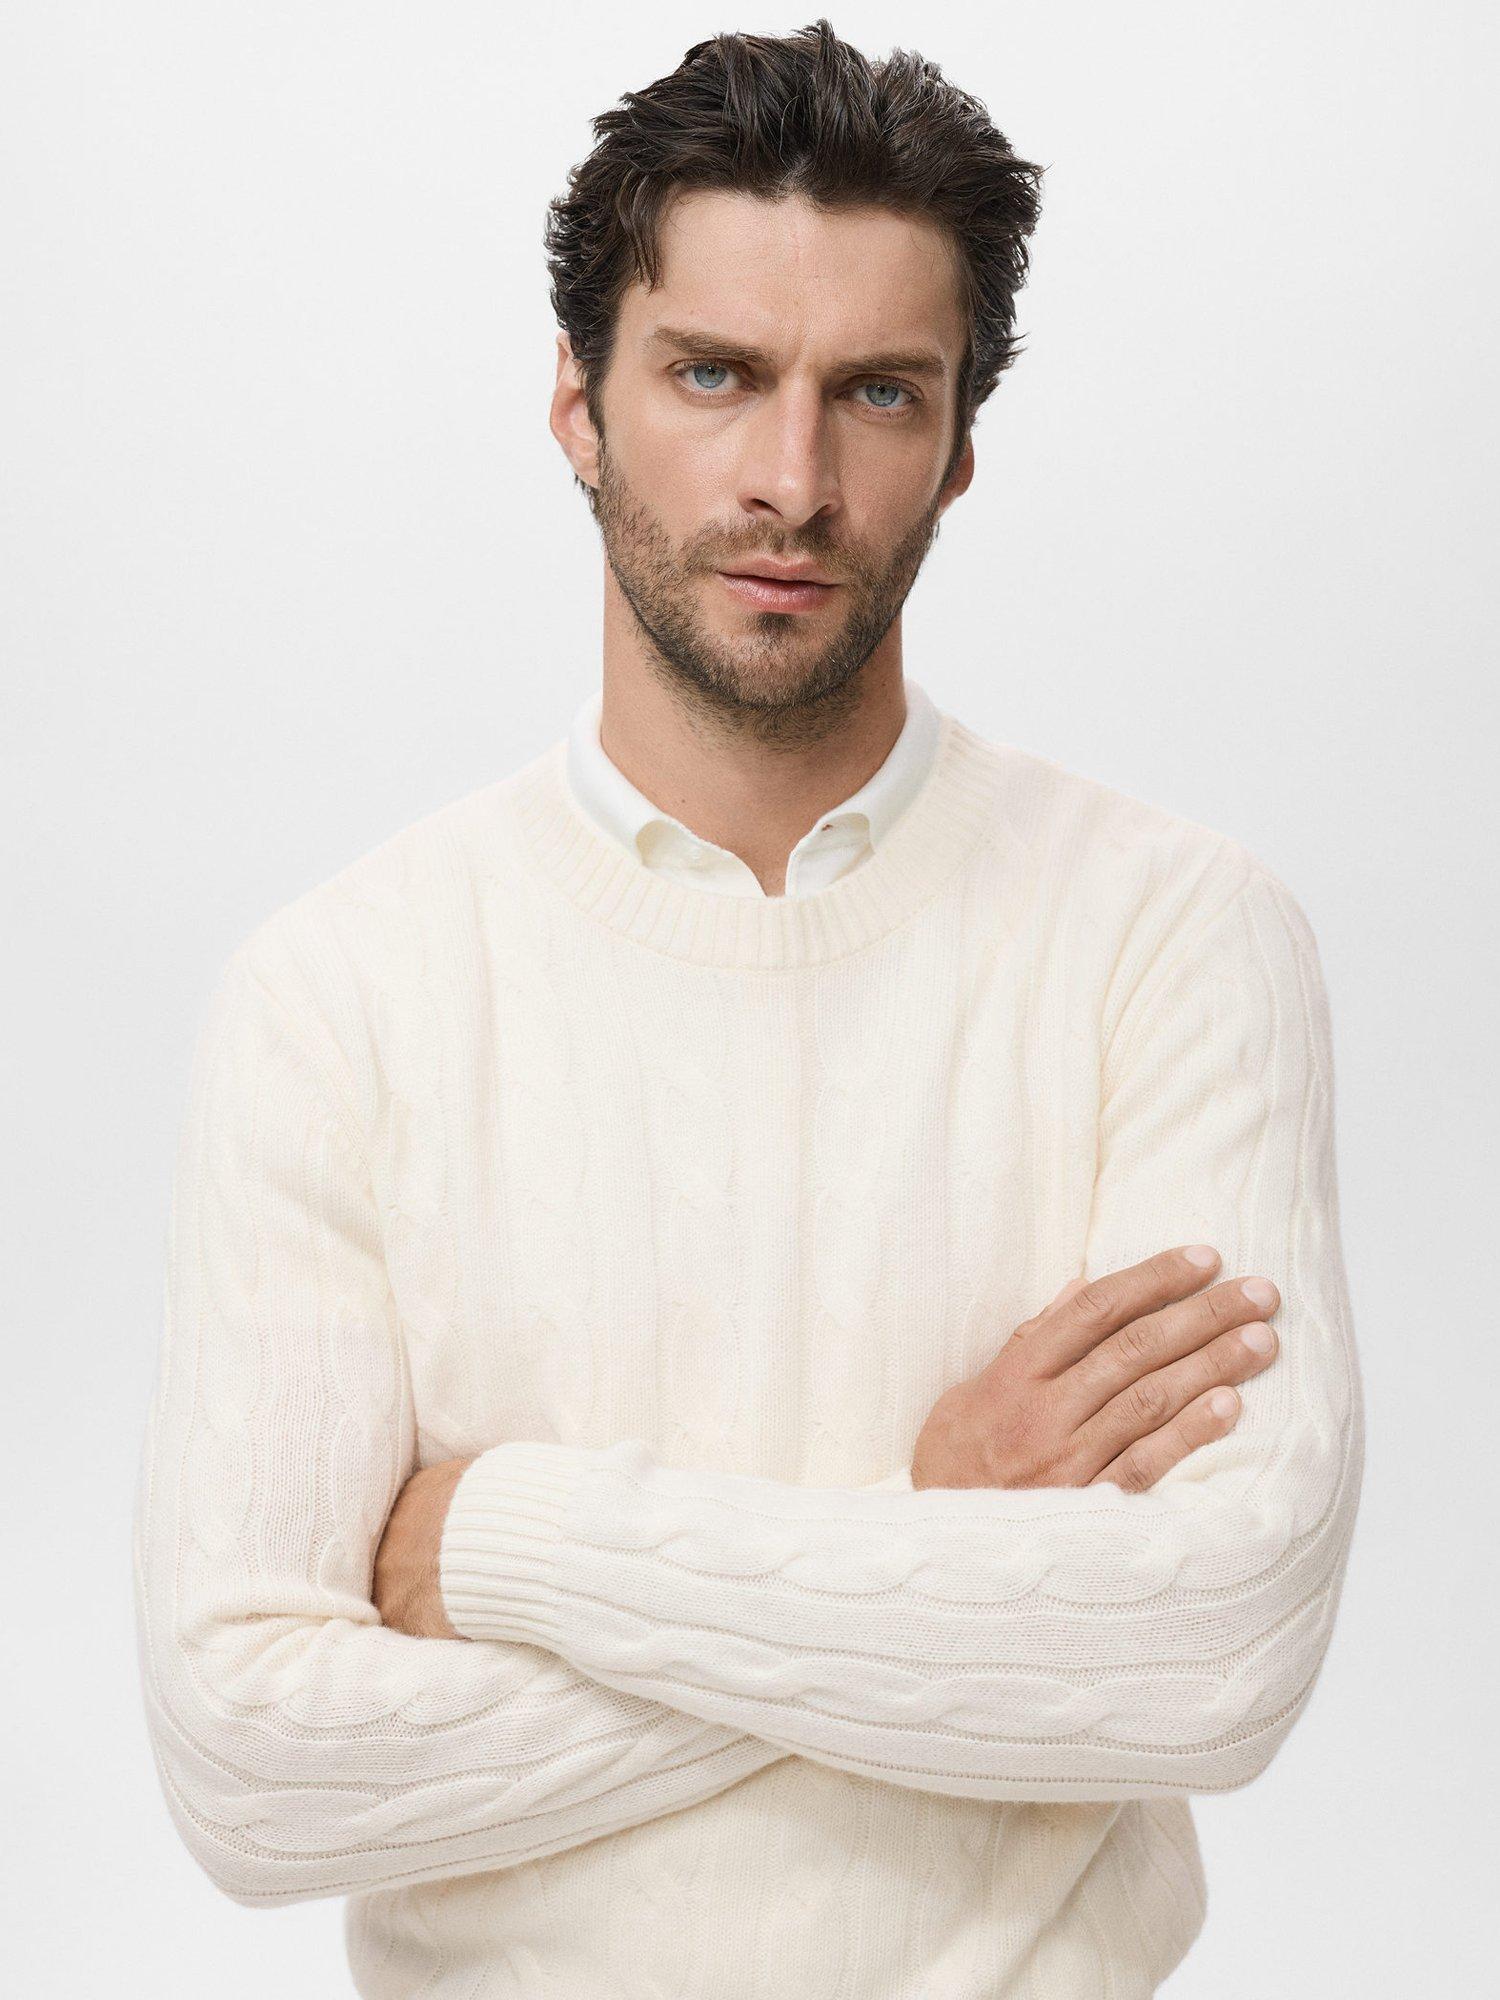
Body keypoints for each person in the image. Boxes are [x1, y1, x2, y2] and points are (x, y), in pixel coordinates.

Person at [132, 19, 1365, 1996]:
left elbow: (1209, 1654)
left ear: (961, 445)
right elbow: (257, 1776)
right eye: (714, 373)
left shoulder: (1174, 936)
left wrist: (509, 1549)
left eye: (876, 393)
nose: (793, 481)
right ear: (579, 402)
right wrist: (942, 1523)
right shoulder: (339, 996)